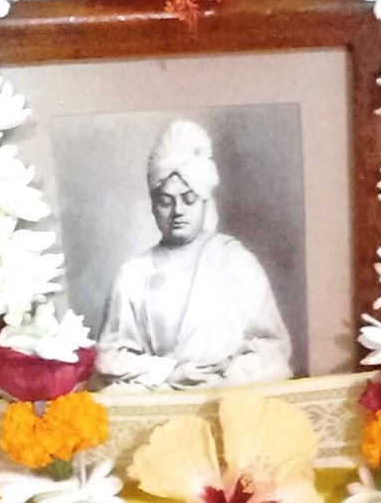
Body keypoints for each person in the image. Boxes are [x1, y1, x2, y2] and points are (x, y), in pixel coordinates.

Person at [95, 119, 293, 389]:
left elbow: (273, 347)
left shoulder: (236, 262)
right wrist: (169, 372)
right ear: (153, 206)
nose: (178, 211)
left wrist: (228, 375)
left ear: (204, 201)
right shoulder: (134, 273)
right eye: (166, 201)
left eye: (188, 199)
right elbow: (110, 356)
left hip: (225, 393)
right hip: (161, 395)